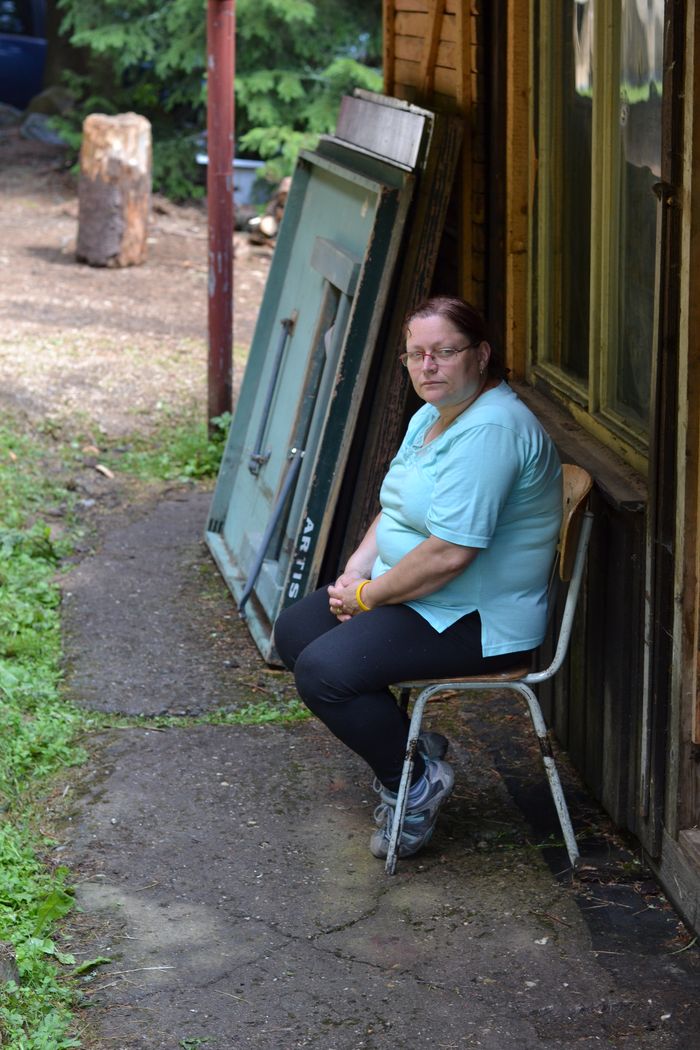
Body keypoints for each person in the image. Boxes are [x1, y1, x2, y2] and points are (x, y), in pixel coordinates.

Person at [274, 296, 562, 860]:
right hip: (424, 598)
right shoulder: (432, 416)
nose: (427, 366)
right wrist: (357, 569)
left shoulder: (491, 432)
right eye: (416, 354)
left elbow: (449, 555)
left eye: (444, 352)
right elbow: (397, 509)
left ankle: (415, 782)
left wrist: (366, 597)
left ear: (481, 355)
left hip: (477, 617)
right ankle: (408, 750)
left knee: (326, 671)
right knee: (296, 632)